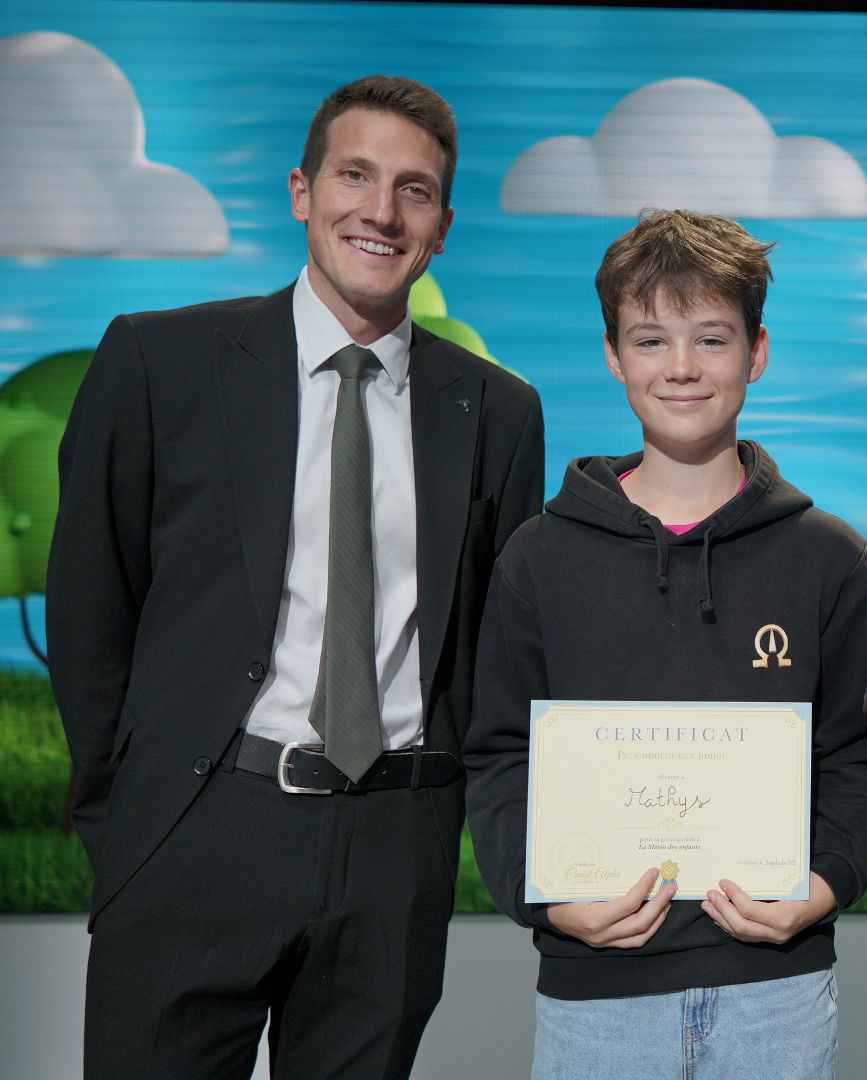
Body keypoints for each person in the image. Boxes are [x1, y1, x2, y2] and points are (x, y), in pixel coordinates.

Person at [47, 75, 545, 1078]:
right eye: (355, 176)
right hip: (196, 827)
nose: (381, 211)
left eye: (414, 190)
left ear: (442, 227)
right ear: (302, 191)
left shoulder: (497, 411)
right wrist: (129, 823)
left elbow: (492, 651)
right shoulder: (158, 362)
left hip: (392, 848)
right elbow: (91, 609)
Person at [462, 209, 867, 1079]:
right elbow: (500, 755)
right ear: (613, 355)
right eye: (651, 340)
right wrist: (549, 899)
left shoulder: (827, 558)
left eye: (712, 339)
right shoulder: (538, 558)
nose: (682, 367)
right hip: (594, 994)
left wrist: (824, 886)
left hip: (777, 990)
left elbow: (849, 758)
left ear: (756, 353)